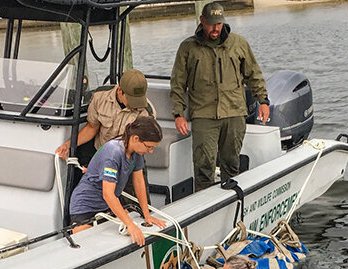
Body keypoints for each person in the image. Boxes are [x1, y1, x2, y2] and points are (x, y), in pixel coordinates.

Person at [170, 2, 270, 191]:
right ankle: (205, 208)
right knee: (203, 168)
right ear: (202, 21)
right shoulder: (187, 48)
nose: (215, 28)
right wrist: (178, 114)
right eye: (211, 24)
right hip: (203, 115)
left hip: (234, 112)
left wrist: (263, 101)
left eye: (219, 24)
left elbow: (253, 75)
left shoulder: (239, 43)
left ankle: (232, 205)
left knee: (232, 165)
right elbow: (177, 84)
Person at [68, 116, 166, 246]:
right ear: (135, 138)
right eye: (149, 147)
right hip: (85, 206)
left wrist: (147, 214)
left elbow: (139, 182)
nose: (151, 151)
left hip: (106, 206)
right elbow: (108, 194)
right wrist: (130, 224)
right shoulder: (113, 153)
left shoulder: (136, 152)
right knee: (87, 244)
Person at [55, 69, 157, 165]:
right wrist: (67, 145)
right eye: (131, 99)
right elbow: (91, 128)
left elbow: (140, 145)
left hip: (129, 158)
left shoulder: (146, 112)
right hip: (99, 152)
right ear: (120, 90)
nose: (135, 104)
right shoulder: (100, 97)